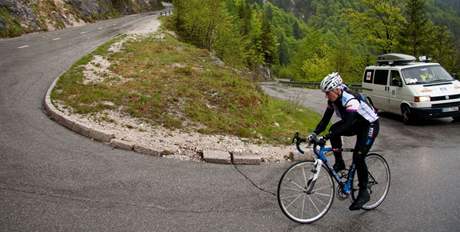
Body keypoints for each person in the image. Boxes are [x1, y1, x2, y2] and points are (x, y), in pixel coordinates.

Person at [308, 72, 380, 210]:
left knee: (358, 156)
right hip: (356, 123)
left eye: (328, 93)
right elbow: (325, 121)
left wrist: (326, 138)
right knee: (333, 129)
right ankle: (340, 163)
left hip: (369, 125)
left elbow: (347, 124)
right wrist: (314, 133)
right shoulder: (332, 100)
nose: (326, 96)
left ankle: (364, 192)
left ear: (336, 89)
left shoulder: (350, 99)